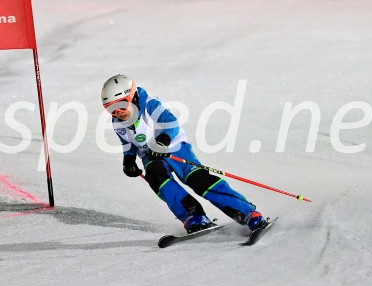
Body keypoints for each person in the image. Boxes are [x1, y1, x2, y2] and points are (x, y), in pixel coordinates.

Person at [101, 74, 267, 234]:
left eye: (122, 104)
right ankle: (193, 216)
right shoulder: (118, 122)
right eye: (111, 108)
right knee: (157, 179)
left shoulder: (150, 105)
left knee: (198, 180)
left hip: (175, 148)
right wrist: (129, 159)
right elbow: (128, 143)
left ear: (133, 96)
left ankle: (247, 213)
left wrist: (162, 142)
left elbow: (171, 123)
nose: (118, 111)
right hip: (150, 156)